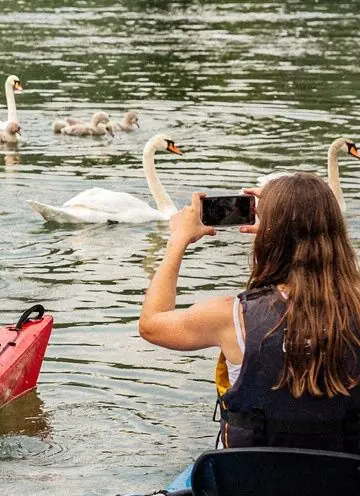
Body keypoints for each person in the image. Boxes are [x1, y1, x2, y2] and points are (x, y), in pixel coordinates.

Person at [138, 175, 360, 451]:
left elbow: (151, 323)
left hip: (250, 477)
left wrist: (178, 240)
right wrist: (284, 226)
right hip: (346, 475)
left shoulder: (230, 316)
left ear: (268, 239)